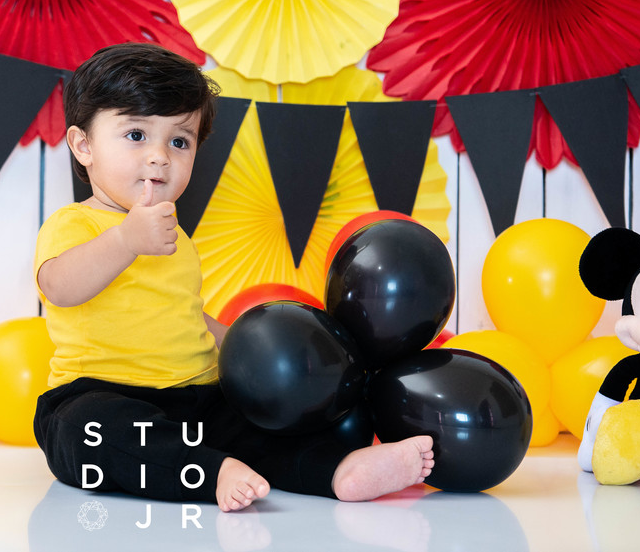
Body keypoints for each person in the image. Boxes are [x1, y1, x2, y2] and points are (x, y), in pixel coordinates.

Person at [32, 42, 434, 512]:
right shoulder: (75, 223)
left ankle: (337, 469)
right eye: (136, 135)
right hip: (102, 393)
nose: (159, 156)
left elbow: (182, 312)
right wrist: (125, 240)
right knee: (86, 431)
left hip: (196, 396)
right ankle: (211, 472)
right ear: (83, 145)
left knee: (259, 423)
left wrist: (240, 344)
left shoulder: (177, 238)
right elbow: (59, 287)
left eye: (179, 141)